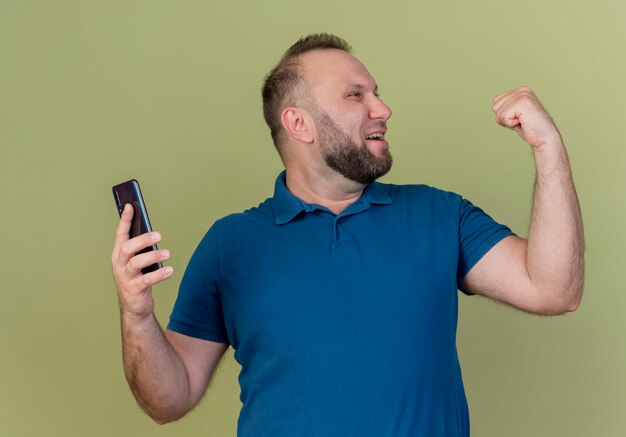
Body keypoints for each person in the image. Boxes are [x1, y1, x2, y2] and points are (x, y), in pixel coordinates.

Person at [111, 33, 584, 436]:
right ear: (299, 123)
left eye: (375, 91)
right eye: (355, 95)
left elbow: (554, 289)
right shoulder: (230, 243)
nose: (383, 108)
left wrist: (548, 148)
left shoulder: (439, 213)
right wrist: (136, 315)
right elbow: (168, 401)